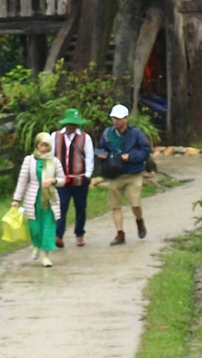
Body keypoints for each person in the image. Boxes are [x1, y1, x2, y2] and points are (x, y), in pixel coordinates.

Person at [96, 103, 152, 245]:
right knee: (116, 206)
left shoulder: (136, 133)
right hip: (116, 174)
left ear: (126, 119)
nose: (116, 121)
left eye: (119, 118)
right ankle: (120, 234)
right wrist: (102, 156)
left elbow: (145, 150)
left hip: (133, 173)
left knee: (135, 204)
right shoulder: (107, 134)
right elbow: (101, 150)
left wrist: (131, 157)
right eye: (114, 118)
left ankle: (139, 221)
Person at [10, 131, 65, 267]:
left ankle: (46, 255)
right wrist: (17, 199)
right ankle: (36, 245)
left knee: (48, 227)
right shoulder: (29, 160)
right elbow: (22, 180)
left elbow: (63, 180)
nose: (44, 148)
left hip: (49, 199)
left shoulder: (54, 161)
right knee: (35, 227)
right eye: (41, 145)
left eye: (46, 146)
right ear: (37, 145)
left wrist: (53, 180)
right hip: (33, 198)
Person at [51, 109, 93, 249]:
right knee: (61, 207)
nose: (72, 127)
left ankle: (79, 233)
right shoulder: (55, 136)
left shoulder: (85, 138)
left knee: (80, 207)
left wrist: (87, 175)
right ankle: (59, 235)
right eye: (70, 124)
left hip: (79, 179)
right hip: (61, 179)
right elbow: (51, 156)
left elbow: (89, 157)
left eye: (74, 124)